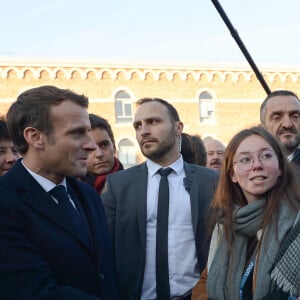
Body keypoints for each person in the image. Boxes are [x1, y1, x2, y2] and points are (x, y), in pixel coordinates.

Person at [0, 85, 117, 300]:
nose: (91, 145)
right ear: (35, 137)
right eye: (77, 133)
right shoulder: (5, 203)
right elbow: (34, 292)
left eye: (88, 131)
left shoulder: (88, 195)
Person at [101, 98, 219, 300]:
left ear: (178, 127)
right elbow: (105, 252)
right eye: (138, 125)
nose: (143, 131)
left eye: (153, 122)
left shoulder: (211, 181)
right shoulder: (117, 186)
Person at [192, 126, 300, 300]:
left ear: (280, 167)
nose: (257, 165)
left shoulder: (296, 222)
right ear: (232, 174)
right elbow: (206, 282)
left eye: (266, 156)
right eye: (245, 159)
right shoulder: (225, 224)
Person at [81, 114, 123, 194]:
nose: (99, 154)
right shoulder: (69, 190)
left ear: (114, 147)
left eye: (104, 145)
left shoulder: (135, 185)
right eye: (90, 149)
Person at [260, 90, 300, 167]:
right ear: (262, 129)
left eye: (295, 116)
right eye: (277, 117)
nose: (287, 124)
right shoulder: (248, 167)